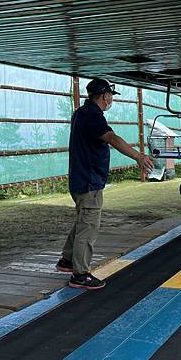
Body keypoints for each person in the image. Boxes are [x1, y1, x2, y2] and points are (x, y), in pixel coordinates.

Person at [56, 78, 153, 290]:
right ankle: (80, 275)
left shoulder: (81, 113)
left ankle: (67, 260)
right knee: (89, 226)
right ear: (104, 96)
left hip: (80, 179)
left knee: (84, 220)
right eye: (110, 95)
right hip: (89, 181)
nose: (111, 100)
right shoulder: (92, 115)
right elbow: (112, 138)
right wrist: (138, 156)